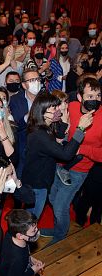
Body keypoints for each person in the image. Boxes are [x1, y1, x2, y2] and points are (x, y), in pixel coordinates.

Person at [48, 77, 102, 243]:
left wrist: (82, 149)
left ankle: (59, 237)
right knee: (52, 197)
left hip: (79, 170)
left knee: (59, 207)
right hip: (60, 164)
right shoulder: (71, 107)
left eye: (98, 96)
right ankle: (57, 228)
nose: (95, 100)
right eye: (90, 96)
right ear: (80, 97)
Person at [22, 92, 91, 218]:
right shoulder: (39, 135)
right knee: (31, 220)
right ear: (43, 112)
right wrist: (80, 129)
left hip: (38, 180)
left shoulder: (43, 127)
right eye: (54, 107)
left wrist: (64, 122)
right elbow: (65, 155)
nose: (59, 109)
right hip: (37, 185)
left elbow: (56, 139)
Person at [9, 69, 42, 177]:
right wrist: (27, 117)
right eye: (32, 80)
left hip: (42, 145)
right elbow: (16, 126)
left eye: (37, 79)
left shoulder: (46, 97)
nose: (36, 82)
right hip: (23, 144)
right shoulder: (16, 100)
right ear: (24, 85)